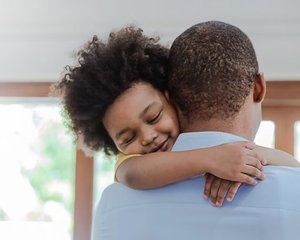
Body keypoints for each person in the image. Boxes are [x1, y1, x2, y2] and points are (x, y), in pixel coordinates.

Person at [91, 21, 300, 240]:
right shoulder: (132, 169)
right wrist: (213, 158)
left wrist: (249, 156)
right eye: (128, 138)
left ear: (170, 98)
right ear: (258, 88)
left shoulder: (112, 206)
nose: (148, 137)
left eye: (153, 117)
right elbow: (132, 173)